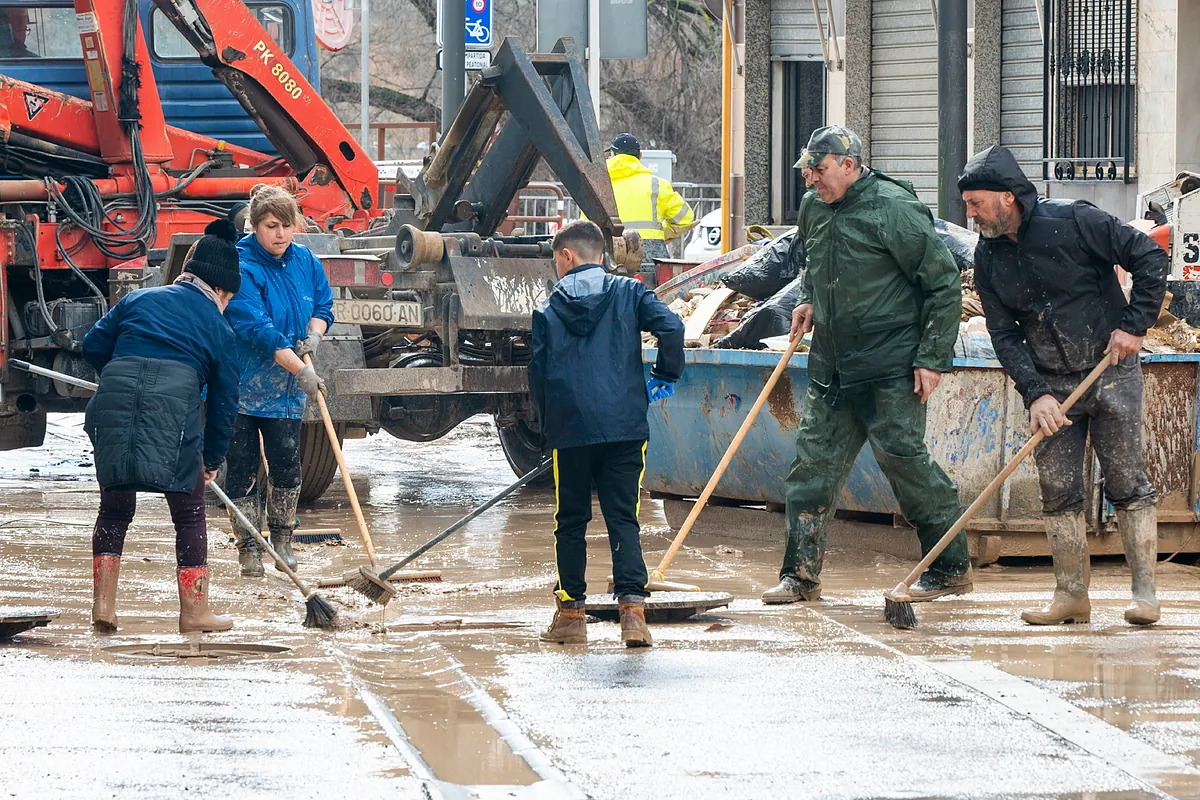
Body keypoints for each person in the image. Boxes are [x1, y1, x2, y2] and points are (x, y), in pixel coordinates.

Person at [960, 145, 1168, 626]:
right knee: (1057, 488)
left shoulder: (1075, 221)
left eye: (975, 203)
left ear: (1007, 197)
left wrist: (1136, 325)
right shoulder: (989, 257)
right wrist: (1035, 392)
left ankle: (1145, 595)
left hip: (1109, 369)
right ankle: (1071, 593)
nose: (969, 214)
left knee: (1126, 482)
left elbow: (1148, 258)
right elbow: (1004, 334)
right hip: (1052, 384)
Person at [763, 125, 971, 605]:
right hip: (833, 365)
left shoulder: (894, 209)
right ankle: (800, 574)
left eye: (819, 170)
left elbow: (942, 284)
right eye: (807, 171)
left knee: (906, 465)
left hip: (891, 366)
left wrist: (932, 358)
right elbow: (815, 261)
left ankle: (950, 566)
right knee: (811, 468)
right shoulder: (815, 208)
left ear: (849, 166)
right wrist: (811, 298)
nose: (811, 180)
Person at [529, 220, 685, 648]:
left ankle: (570, 615)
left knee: (571, 520)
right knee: (623, 517)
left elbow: (538, 377)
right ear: (600, 254)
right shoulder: (630, 292)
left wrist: (549, 429)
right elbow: (672, 329)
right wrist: (665, 374)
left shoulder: (547, 309)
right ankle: (633, 615)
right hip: (624, 427)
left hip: (571, 431)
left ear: (567, 256)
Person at [82, 219, 241, 634]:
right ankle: (194, 612)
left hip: (112, 402)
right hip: (174, 410)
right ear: (222, 291)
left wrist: (123, 377)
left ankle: (104, 607)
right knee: (188, 514)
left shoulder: (139, 300)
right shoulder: (220, 328)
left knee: (114, 508)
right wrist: (212, 458)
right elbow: (225, 405)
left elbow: (92, 346)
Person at [223, 184, 334, 576]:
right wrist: (301, 370)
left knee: (287, 463)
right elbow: (258, 330)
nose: (281, 234)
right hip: (240, 385)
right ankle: (249, 546)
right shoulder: (241, 266)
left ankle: (283, 540)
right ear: (253, 226)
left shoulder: (305, 260)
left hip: (284, 391)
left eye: (287, 226)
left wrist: (316, 334)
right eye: (272, 226)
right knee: (242, 467)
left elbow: (323, 304)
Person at [605, 133, 695, 271]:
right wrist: (663, 233)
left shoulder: (600, 186)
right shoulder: (656, 185)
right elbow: (685, 219)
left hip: (610, 259)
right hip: (650, 260)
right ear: (640, 156)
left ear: (612, 155)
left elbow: (587, 227)